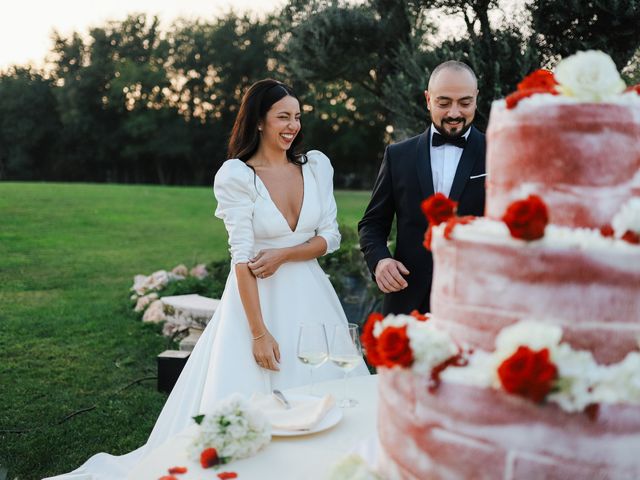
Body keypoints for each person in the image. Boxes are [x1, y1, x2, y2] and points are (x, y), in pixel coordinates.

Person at [47, 78, 368, 480]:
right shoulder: (237, 175)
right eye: (282, 117)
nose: (293, 126)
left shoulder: (317, 166)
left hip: (311, 295)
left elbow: (330, 237)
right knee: (249, 401)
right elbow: (241, 258)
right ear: (258, 122)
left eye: (297, 117)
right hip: (256, 299)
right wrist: (258, 332)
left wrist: (285, 254)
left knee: (329, 395)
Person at [358, 61, 486, 315]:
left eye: (464, 102)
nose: (454, 113)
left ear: (476, 99)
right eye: (443, 102)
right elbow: (372, 224)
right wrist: (380, 261)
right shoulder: (398, 155)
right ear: (428, 99)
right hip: (406, 302)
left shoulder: (500, 153)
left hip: (476, 304)